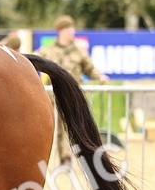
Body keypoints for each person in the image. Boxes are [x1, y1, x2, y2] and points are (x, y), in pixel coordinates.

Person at [36, 15, 109, 168]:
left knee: (76, 127)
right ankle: (57, 160)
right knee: (55, 128)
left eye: (72, 28)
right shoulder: (48, 51)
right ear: (60, 31)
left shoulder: (79, 50)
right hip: (56, 95)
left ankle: (78, 159)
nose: (71, 31)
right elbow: (33, 60)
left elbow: (89, 69)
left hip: (75, 96)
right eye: (68, 28)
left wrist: (100, 77)